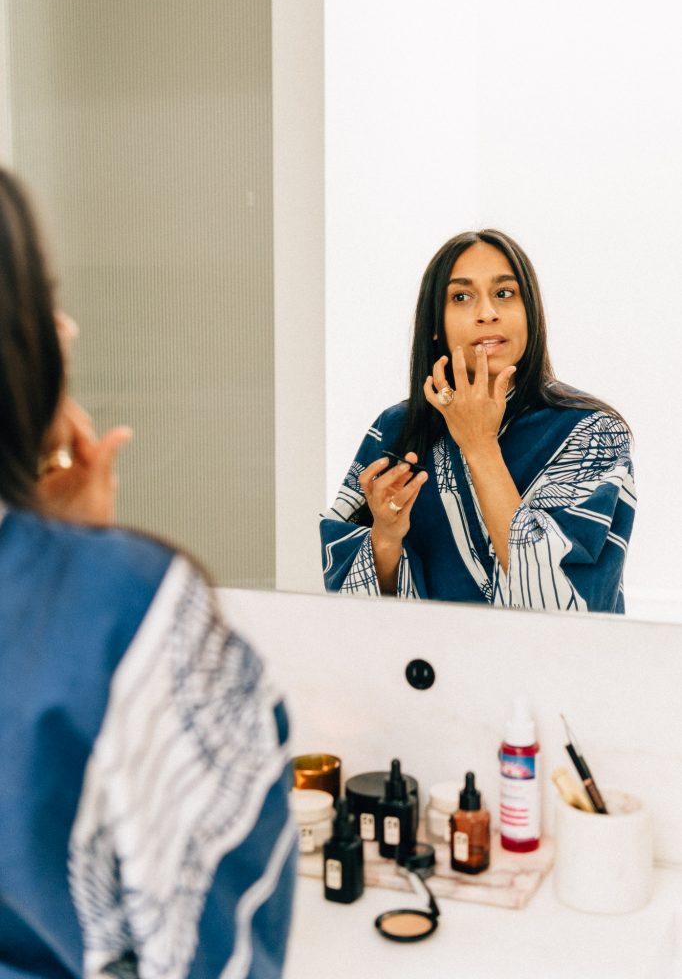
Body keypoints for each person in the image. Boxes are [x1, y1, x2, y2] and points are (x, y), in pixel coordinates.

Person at [0, 167, 296, 978]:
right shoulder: (127, 610)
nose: (63, 327)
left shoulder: (589, 436)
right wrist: (76, 569)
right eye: (38, 300)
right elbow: (221, 940)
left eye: (501, 293)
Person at [321, 230, 635, 612]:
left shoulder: (592, 431)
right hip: (427, 667)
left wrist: (479, 444)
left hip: (549, 670)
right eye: (461, 297)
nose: (487, 312)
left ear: (530, 313)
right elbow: (346, 610)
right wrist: (385, 538)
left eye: (504, 293)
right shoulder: (396, 429)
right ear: (436, 324)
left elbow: (561, 604)